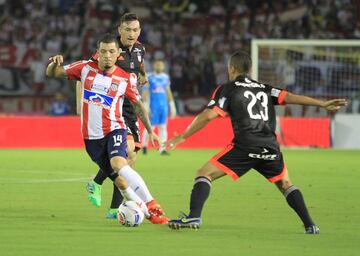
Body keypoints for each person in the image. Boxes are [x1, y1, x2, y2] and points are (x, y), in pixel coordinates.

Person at [165, 50, 347, 233]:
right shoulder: (265, 88)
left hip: (245, 145)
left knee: (204, 173)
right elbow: (290, 97)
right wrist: (322, 104)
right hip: (270, 146)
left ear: (231, 68)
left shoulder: (227, 88)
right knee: (285, 184)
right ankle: (310, 225)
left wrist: (181, 136)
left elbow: (208, 115)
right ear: (250, 69)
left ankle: (194, 217)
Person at [46, 33, 168, 224]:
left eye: (111, 51)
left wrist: (151, 131)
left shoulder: (125, 79)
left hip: (115, 128)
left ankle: (151, 203)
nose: (107, 55)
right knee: (120, 181)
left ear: (118, 53)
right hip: (91, 139)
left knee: (120, 163)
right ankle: (148, 214)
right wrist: (54, 63)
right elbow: (52, 73)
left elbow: (137, 105)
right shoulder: (84, 68)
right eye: (103, 51)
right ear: (98, 52)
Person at [80, 13, 155, 219]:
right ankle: (96, 183)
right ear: (119, 30)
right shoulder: (111, 50)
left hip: (132, 109)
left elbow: (138, 64)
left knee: (129, 162)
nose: (132, 34)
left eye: (136, 30)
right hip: (115, 109)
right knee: (126, 153)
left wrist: (143, 73)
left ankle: (114, 208)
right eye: (128, 30)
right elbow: (88, 72)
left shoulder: (140, 48)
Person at [141, 59, 176, 155]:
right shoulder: (149, 77)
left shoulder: (165, 77)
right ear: (154, 66)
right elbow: (145, 92)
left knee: (163, 127)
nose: (159, 66)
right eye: (157, 64)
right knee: (150, 127)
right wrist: (146, 105)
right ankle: (144, 146)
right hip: (153, 106)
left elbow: (168, 91)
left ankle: (162, 148)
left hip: (163, 106)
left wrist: (172, 106)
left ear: (163, 66)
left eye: (161, 65)